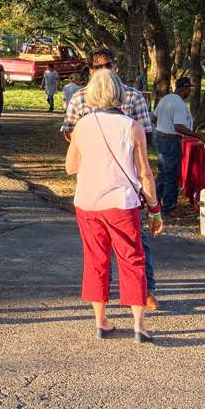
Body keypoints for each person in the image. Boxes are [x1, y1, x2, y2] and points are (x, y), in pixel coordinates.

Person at [64, 68, 163, 343]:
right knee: (132, 259)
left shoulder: (82, 126)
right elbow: (145, 173)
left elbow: (70, 166)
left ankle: (101, 321)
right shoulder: (132, 127)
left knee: (96, 259)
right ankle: (139, 326)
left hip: (88, 201)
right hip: (121, 203)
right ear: (120, 93)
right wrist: (154, 209)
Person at [151, 77, 202, 215]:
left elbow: (154, 118)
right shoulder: (179, 103)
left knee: (164, 172)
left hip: (160, 137)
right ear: (183, 88)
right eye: (189, 89)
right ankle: (169, 206)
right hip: (171, 140)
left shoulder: (166, 99)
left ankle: (154, 200)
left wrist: (163, 125)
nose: (190, 92)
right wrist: (197, 135)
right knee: (172, 174)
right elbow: (178, 127)